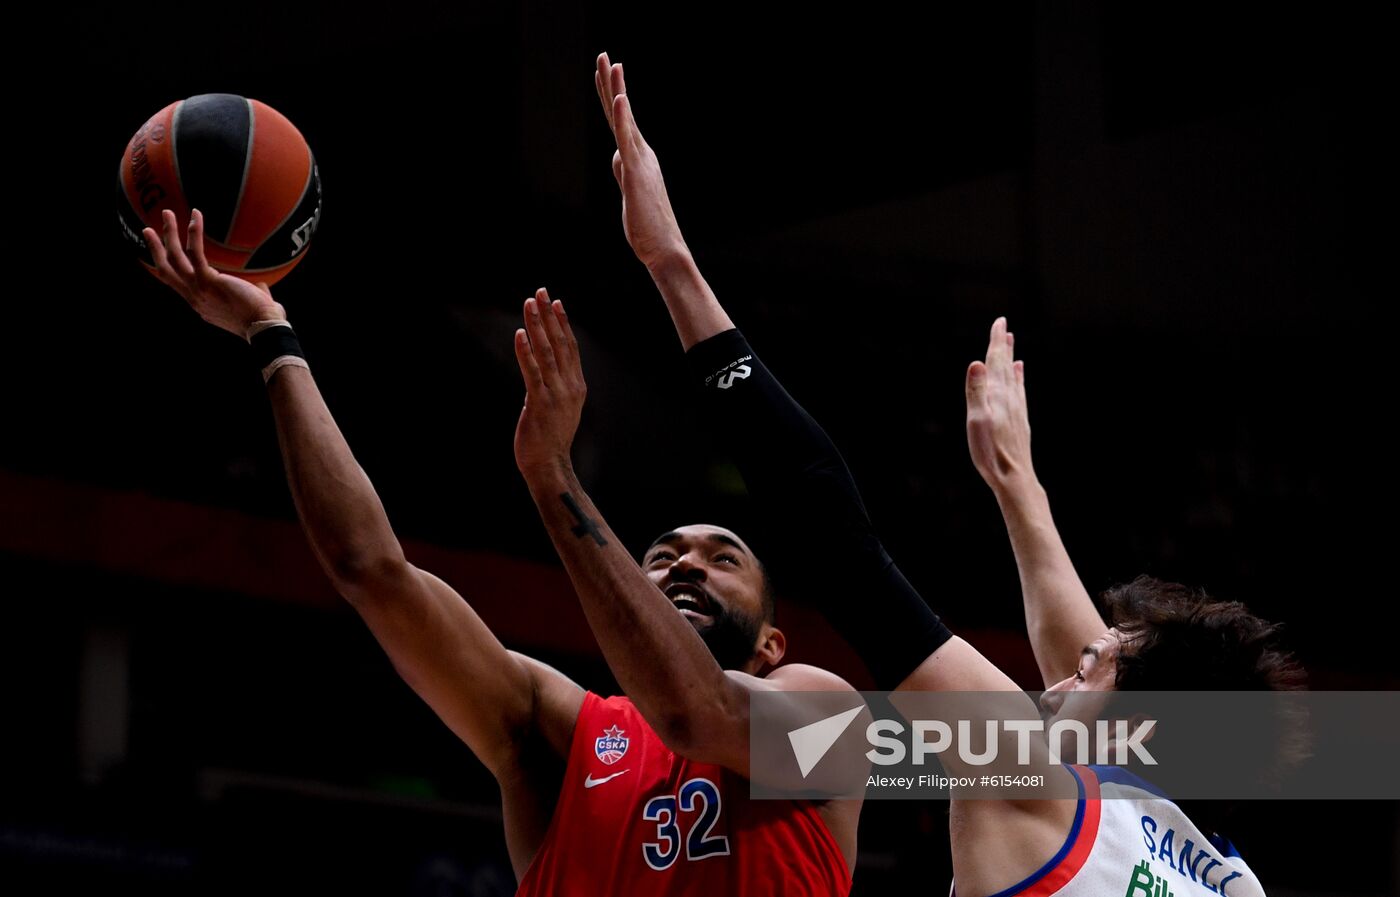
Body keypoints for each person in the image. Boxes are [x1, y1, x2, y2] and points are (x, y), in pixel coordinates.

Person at [593, 52, 1304, 897]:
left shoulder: (1037, 783)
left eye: (1091, 671)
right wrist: (1018, 489)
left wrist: (672, 264)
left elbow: (842, 547)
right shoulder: (1231, 876)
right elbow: (1089, 660)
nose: (1059, 681)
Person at [141, 207, 858, 894]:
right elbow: (371, 570)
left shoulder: (836, 720)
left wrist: (552, 476)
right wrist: (272, 337)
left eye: (723, 558)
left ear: (772, 645)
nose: (686, 563)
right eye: (662, 555)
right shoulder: (554, 727)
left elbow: (692, 712)